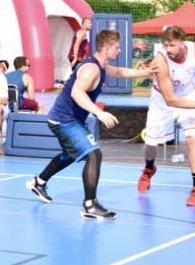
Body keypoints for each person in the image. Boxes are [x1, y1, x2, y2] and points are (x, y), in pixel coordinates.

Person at [27, 29, 158, 220]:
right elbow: (76, 93)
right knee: (93, 154)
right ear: (106, 48)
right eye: (117, 47)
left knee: (71, 154)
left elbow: (120, 72)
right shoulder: (91, 69)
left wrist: (145, 72)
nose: (119, 51)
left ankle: (39, 182)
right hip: (64, 120)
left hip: (68, 119)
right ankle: (90, 204)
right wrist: (99, 112)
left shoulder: (101, 66)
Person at [138, 26, 195, 207]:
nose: (168, 49)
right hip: (163, 99)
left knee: (193, 139)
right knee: (151, 143)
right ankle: (149, 168)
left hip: (187, 94)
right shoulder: (161, 61)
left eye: (172, 45)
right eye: (165, 45)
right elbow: (170, 99)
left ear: (183, 43)